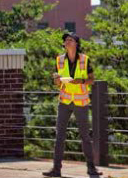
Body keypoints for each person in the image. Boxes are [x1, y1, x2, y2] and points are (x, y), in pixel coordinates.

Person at [42, 32, 102, 177]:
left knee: (85, 137)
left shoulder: (85, 59)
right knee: (59, 136)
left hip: (80, 102)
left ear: (76, 43)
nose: (67, 42)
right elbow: (57, 81)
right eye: (66, 40)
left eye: (70, 40)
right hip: (64, 101)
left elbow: (91, 80)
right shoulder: (59, 60)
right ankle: (56, 169)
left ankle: (91, 169)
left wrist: (79, 81)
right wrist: (56, 79)